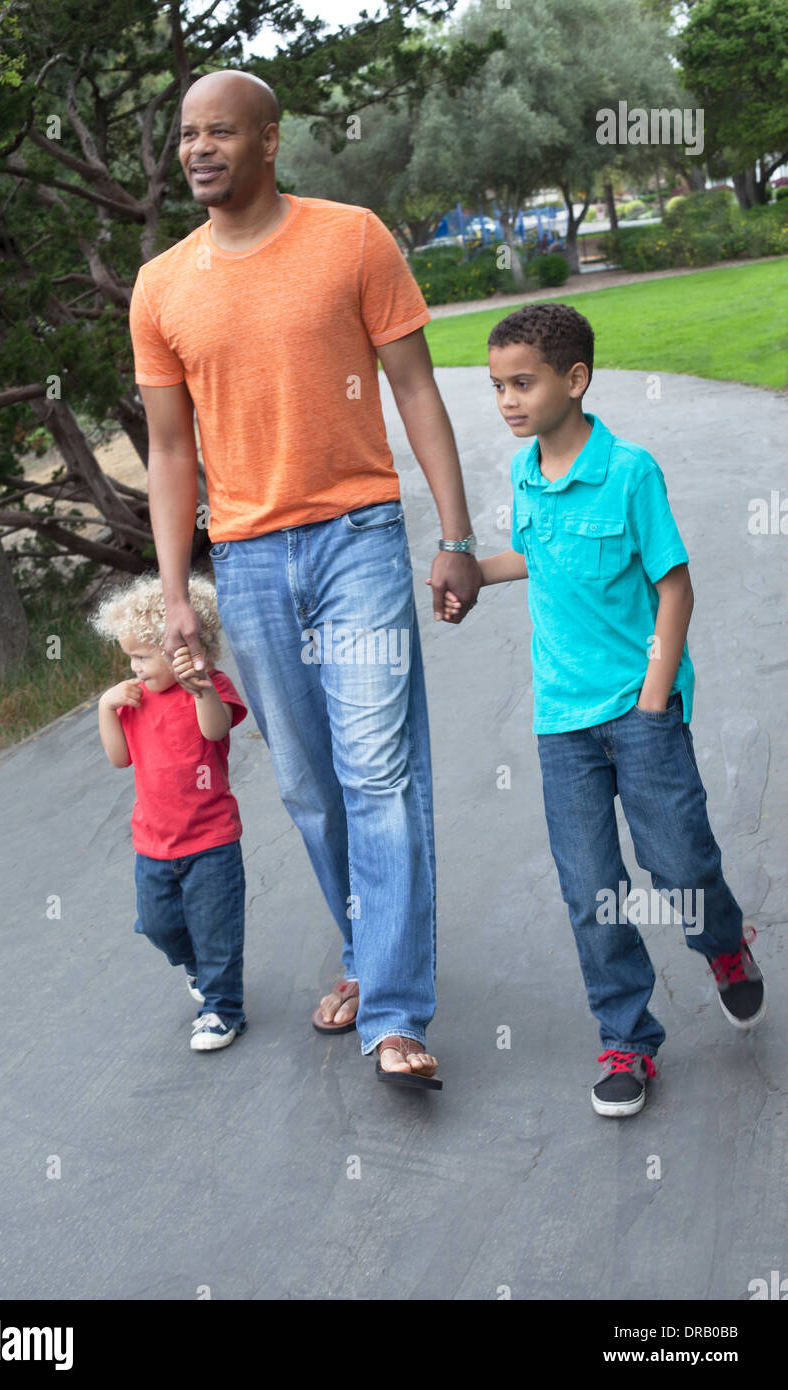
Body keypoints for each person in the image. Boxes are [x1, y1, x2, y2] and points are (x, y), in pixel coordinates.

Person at [128, 69, 482, 1088]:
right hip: (242, 558)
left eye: (220, 131)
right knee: (309, 786)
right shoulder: (161, 286)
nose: (198, 149)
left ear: (269, 140)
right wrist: (175, 599)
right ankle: (370, 955)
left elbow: (415, 389)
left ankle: (395, 1011)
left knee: (376, 773)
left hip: (358, 537)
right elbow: (167, 453)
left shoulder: (351, 238)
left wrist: (452, 534)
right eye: (187, 134)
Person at [441, 303, 766, 1116]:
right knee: (591, 885)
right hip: (563, 722)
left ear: (575, 380)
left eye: (523, 383)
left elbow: (674, 584)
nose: (507, 400)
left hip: (638, 707)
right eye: (496, 387)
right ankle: (626, 1038)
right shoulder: (523, 474)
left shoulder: (629, 472)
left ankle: (723, 945)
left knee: (679, 862)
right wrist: (478, 572)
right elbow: (537, 555)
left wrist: (657, 694)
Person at [93, 575, 248, 1052]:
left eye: (143, 656)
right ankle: (196, 967)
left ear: (179, 648)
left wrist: (199, 686)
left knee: (217, 931)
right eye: (130, 659)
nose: (135, 669)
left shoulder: (210, 688)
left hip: (211, 841)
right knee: (159, 925)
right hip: (153, 844)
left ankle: (223, 1011)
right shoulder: (134, 701)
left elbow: (216, 729)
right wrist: (105, 707)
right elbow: (120, 759)